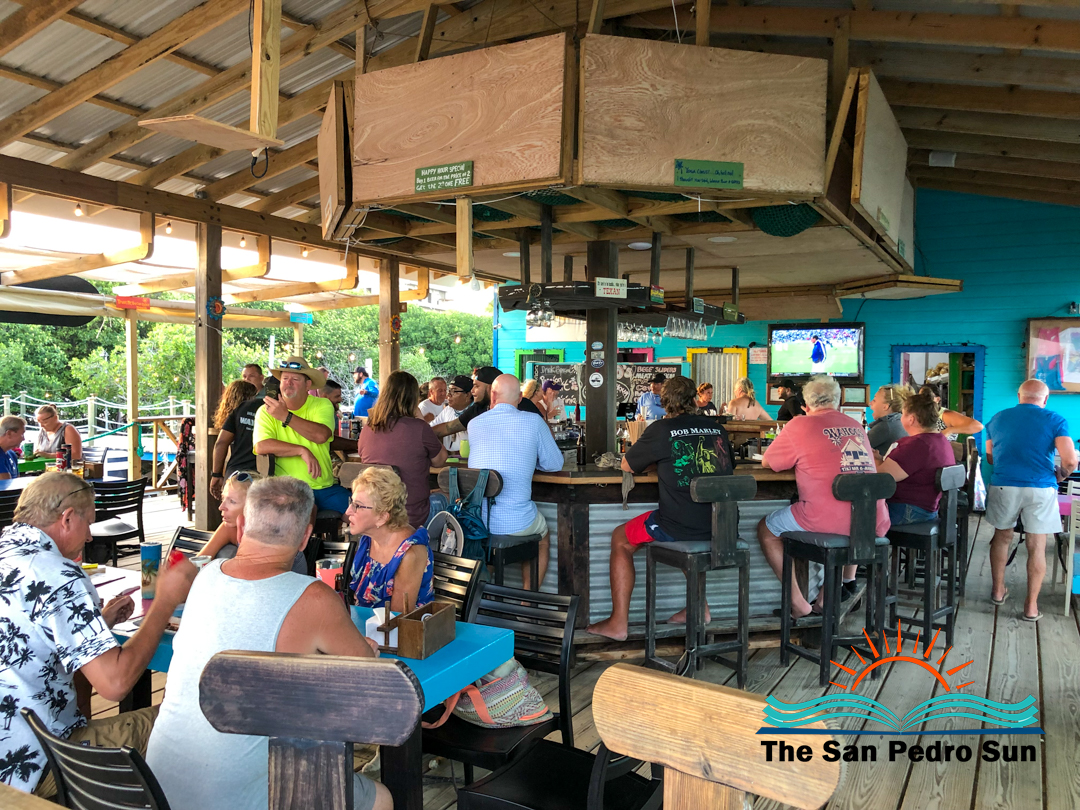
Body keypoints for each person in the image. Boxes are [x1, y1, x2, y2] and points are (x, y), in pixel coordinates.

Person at [145, 477, 387, 810]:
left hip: (158, 788)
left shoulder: (205, 576)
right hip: (246, 797)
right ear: (306, 537)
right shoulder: (315, 597)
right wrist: (365, 651)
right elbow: (369, 678)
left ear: (241, 525)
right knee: (381, 798)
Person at [0, 472, 196, 796]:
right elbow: (115, 684)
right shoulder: (58, 574)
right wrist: (165, 600)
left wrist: (97, 623)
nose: (90, 536)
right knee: (188, 720)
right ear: (67, 518)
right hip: (33, 762)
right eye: (88, 523)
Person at [588, 375, 736, 641]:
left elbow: (627, 465)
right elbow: (725, 466)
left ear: (664, 403)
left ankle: (618, 623)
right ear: (694, 400)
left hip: (679, 526)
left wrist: (659, 461)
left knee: (620, 539)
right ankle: (699, 608)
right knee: (689, 533)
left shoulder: (661, 429)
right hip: (722, 526)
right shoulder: (717, 429)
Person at [757, 375, 889, 620]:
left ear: (806, 405)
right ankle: (825, 597)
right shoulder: (856, 426)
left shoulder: (800, 424)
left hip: (825, 520)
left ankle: (799, 604)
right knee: (844, 527)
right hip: (869, 519)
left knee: (767, 529)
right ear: (838, 402)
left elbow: (769, 462)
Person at [986, 379, 1078, 622]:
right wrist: (1062, 475)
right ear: (1045, 399)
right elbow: (1070, 461)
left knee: (1001, 537)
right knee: (1037, 545)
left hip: (1004, 484)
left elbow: (991, 457)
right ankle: (1031, 606)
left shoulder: (997, 419)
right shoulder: (1055, 420)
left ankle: (998, 591)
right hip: (1041, 488)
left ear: (1019, 396)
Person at [467, 375, 563, 588]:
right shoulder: (534, 421)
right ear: (520, 398)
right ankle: (527, 600)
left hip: (477, 522)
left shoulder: (474, 424)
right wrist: (530, 460)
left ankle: (481, 594)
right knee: (542, 537)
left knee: (488, 544)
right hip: (517, 522)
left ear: (492, 395)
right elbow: (555, 464)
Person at [253, 356, 350, 513]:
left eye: (295, 379)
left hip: (325, 487)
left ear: (308, 385)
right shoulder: (266, 411)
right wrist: (301, 450)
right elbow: (261, 446)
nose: (289, 383)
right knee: (306, 512)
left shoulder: (322, 404)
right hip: (287, 489)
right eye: (285, 378)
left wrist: (286, 416)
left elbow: (321, 435)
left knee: (364, 512)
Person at [357, 370, 448, 528]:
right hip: (411, 516)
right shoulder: (419, 428)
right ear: (413, 398)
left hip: (374, 515)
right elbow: (441, 460)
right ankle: (431, 544)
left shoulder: (367, 429)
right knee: (448, 497)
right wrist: (421, 418)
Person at [345, 466, 435, 612]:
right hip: (365, 621)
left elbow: (398, 618)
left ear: (382, 517)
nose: (348, 511)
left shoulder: (409, 553)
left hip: (396, 625)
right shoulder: (368, 538)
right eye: (351, 502)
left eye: (358, 506)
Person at [876, 392, 957, 526]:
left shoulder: (917, 445)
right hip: (928, 508)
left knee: (858, 514)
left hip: (909, 510)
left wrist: (875, 460)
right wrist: (880, 459)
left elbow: (882, 477)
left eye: (903, 414)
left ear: (911, 419)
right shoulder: (940, 440)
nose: (901, 418)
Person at [430, 366, 500, 440]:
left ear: (490, 388)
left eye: (476, 386)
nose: (472, 391)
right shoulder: (477, 409)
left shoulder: (501, 411)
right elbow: (448, 428)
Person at [918, 383, 984, 436]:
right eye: (920, 397)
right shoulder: (920, 414)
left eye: (928, 397)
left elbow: (977, 426)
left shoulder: (945, 415)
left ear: (937, 399)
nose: (923, 400)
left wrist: (950, 430)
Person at [867, 383, 912, 458]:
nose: (870, 403)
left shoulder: (885, 427)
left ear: (885, 406)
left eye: (874, 400)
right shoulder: (898, 421)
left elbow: (855, 446)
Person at [432, 375, 473, 452]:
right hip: (449, 458)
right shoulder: (448, 410)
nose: (448, 395)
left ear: (468, 395)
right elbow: (431, 429)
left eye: (454, 391)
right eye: (449, 390)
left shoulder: (475, 413)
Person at [0, 415, 26, 479]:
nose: (23, 439)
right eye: (22, 434)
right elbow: (4, 482)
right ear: (9, 433)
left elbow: (17, 481)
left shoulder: (12, 454)